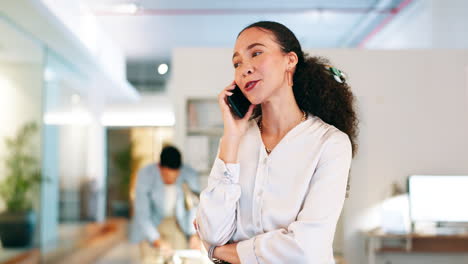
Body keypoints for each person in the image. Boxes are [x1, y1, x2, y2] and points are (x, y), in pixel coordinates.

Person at [195, 21, 359, 264]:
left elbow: (306, 248)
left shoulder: (330, 143)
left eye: (256, 53)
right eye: (237, 63)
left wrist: (220, 252)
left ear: (290, 60)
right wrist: (231, 135)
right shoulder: (236, 141)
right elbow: (211, 232)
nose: (244, 69)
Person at [129, 145, 202, 260]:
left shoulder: (190, 175)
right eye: (166, 175)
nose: (171, 180)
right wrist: (158, 241)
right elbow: (142, 214)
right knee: (150, 258)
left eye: (175, 175)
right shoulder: (145, 175)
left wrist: (194, 234)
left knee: (180, 257)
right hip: (151, 222)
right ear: (159, 167)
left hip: (177, 222)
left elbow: (195, 207)